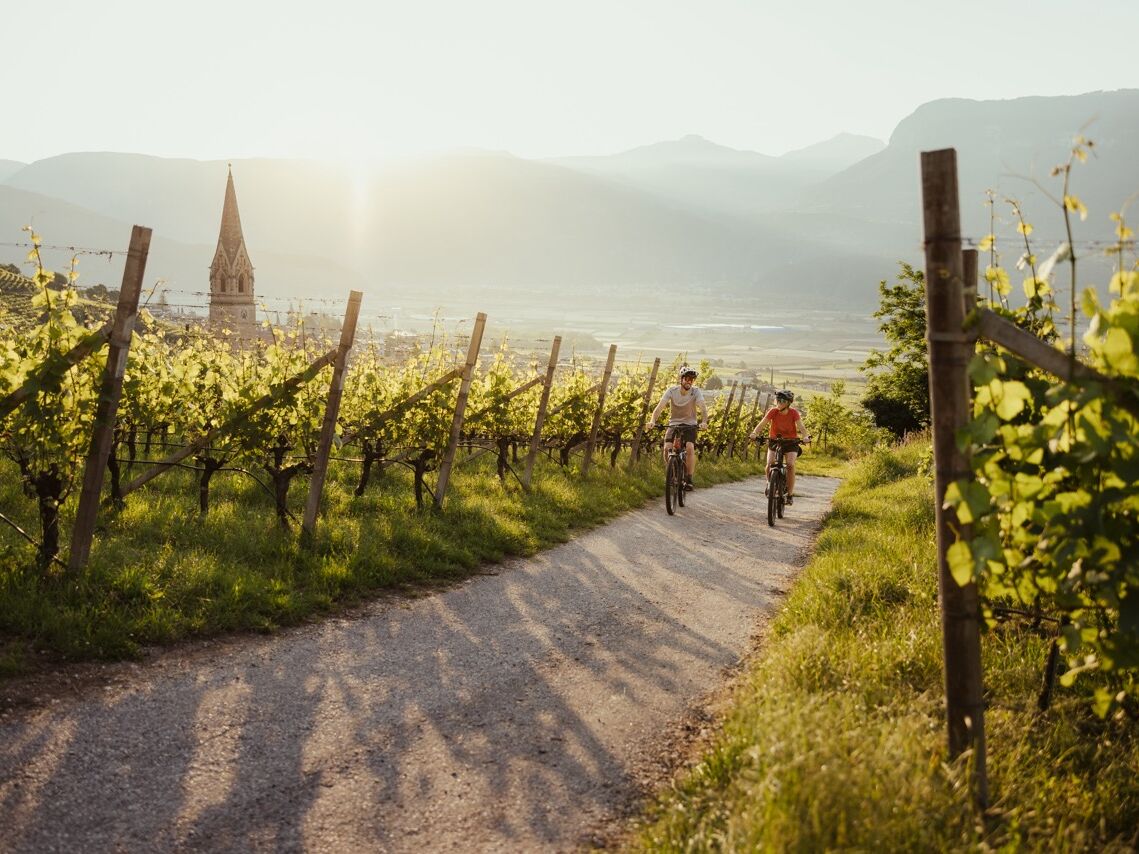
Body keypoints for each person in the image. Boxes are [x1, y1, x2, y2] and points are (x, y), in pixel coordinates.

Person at [650, 364, 708, 489]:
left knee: (690, 447)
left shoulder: (695, 392)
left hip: (690, 425)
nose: (689, 382)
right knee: (667, 448)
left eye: (692, 379)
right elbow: (659, 407)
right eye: (687, 378)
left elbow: (703, 407)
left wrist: (704, 421)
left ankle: (689, 478)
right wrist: (652, 421)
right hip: (674, 423)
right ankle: (672, 472)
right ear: (681, 379)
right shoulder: (672, 391)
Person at [748, 389, 811, 504]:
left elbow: (801, 427)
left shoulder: (793, 413)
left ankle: (790, 494)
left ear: (788, 403)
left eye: (782, 400)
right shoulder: (773, 411)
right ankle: (770, 484)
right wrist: (754, 433)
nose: (779, 402)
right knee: (769, 464)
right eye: (778, 400)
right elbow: (762, 423)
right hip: (774, 441)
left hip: (791, 442)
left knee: (790, 465)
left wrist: (806, 436)